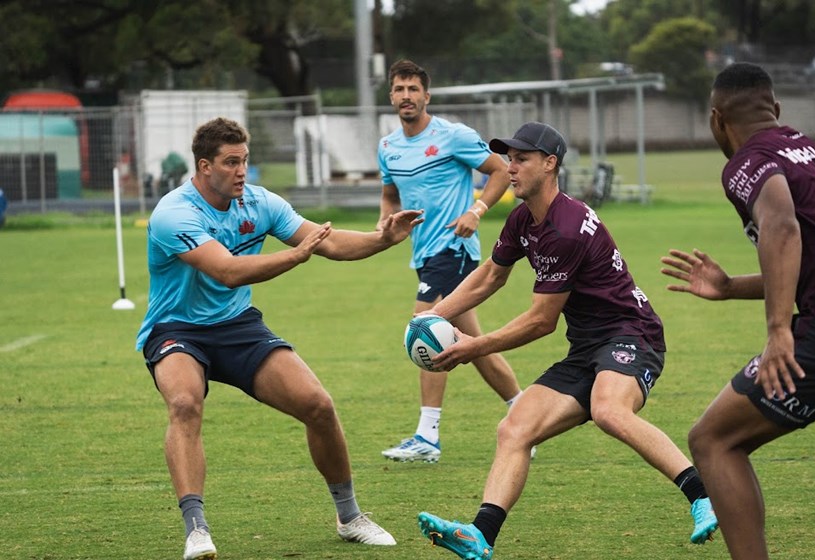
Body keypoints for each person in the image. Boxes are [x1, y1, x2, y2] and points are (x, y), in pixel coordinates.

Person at [415, 121, 719, 559]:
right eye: (508, 158)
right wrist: (433, 317)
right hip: (587, 347)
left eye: (520, 159)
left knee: (608, 409)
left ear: (550, 163)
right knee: (514, 428)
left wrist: (470, 348)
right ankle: (480, 534)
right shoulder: (524, 218)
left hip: (631, 333)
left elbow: (541, 322)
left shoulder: (565, 227)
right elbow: (490, 276)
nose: (509, 167)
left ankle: (703, 496)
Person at [136, 117, 423, 560]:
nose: (241, 172)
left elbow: (325, 241)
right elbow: (227, 272)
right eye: (231, 163)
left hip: (237, 326)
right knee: (184, 404)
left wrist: (382, 238)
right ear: (204, 166)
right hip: (177, 328)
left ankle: (349, 517)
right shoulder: (175, 213)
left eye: (245, 161)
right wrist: (295, 255)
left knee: (318, 405)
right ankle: (197, 529)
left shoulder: (259, 202)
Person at [660, 62, 815, 560]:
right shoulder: (808, 149)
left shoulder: (746, 161)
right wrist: (731, 286)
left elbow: (782, 226)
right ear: (776, 109)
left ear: (716, 120)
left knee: (713, 440)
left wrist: (779, 329)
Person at [377, 59, 525, 463]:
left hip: (454, 249)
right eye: (399, 89)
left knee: (425, 330)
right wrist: (384, 223)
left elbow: (498, 171)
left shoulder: (453, 136)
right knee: (471, 345)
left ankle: (427, 436)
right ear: (391, 96)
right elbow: (390, 193)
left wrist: (475, 211)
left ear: (427, 95)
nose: (406, 96)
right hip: (423, 253)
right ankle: (526, 412)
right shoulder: (388, 146)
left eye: (413, 89)